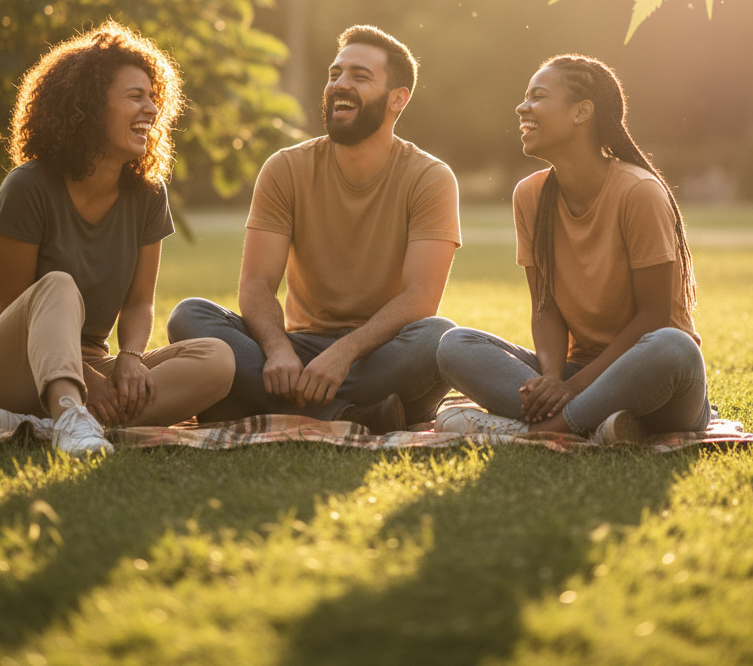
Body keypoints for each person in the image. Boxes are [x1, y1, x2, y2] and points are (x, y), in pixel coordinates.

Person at [0, 21, 235, 457]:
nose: (152, 110)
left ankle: (62, 420)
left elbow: (140, 302)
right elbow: (17, 307)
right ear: (88, 106)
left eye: (153, 98)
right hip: (1, 364)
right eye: (135, 97)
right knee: (58, 285)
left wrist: (131, 359)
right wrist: (84, 376)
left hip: (92, 365)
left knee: (217, 358)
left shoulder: (147, 193)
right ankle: (69, 413)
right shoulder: (27, 187)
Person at [167, 25, 462, 433]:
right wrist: (277, 351)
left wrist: (344, 354)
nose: (340, 84)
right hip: (300, 349)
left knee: (439, 338)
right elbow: (255, 284)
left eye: (360, 76)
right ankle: (350, 416)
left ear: (398, 99)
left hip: (379, 351)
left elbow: (420, 299)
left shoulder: (430, 177)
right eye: (335, 74)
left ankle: (257, 404)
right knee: (191, 316)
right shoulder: (286, 168)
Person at [436, 53, 709, 445]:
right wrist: (551, 379)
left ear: (582, 112)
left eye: (538, 97)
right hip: (575, 371)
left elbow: (654, 317)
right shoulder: (529, 196)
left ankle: (541, 430)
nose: (522, 107)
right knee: (455, 345)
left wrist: (575, 386)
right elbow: (545, 307)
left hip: (657, 377)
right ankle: (599, 424)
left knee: (674, 347)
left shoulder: (639, 192)